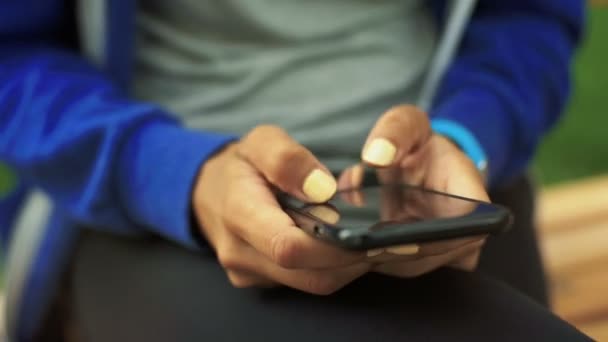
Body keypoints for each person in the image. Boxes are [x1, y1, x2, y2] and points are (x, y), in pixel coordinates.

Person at [0, 0, 588, 341]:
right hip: (147, 211)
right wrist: (181, 174)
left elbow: (528, 14)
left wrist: (466, 135)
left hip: (441, 189)